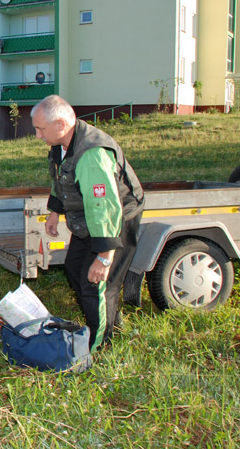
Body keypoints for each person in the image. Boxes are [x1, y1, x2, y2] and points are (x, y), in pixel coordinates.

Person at [31, 95, 144, 351]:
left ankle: (99, 348)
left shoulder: (91, 155)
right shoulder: (61, 143)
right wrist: (54, 211)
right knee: (74, 268)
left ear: (60, 124)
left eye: (40, 129)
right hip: (87, 216)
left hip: (114, 221)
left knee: (97, 284)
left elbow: (103, 208)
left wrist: (104, 257)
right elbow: (60, 178)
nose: (38, 136)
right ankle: (109, 321)